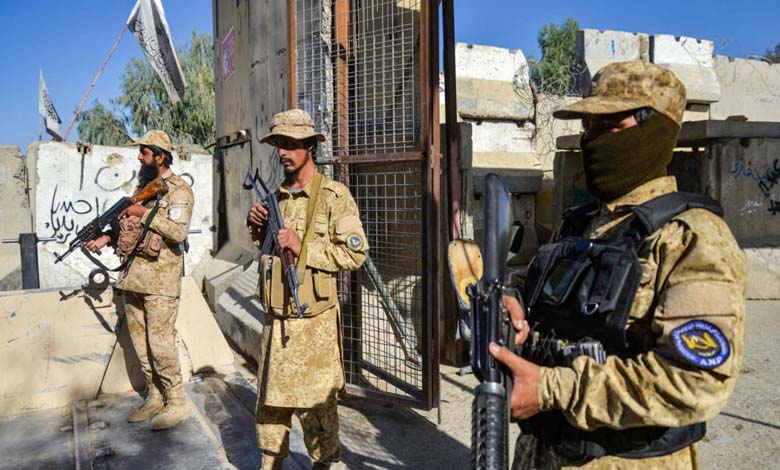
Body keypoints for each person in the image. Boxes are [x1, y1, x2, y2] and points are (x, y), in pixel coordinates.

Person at [489, 61, 746, 469]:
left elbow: (696, 381)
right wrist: (514, 305)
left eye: (608, 126)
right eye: (587, 126)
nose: (591, 139)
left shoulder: (691, 237)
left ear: (654, 131)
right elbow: (536, 291)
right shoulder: (582, 223)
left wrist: (551, 389)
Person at [246, 109, 368, 470]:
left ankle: (323, 464)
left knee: (318, 406)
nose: (283, 152)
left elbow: (355, 254)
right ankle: (270, 462)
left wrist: (304, 248)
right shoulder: (277, 197)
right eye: (279, 144)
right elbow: (267, 251)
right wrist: (257, 226)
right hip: (278, 321)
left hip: (315, 324)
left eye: (291, 144)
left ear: (310, 146)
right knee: (271, 403)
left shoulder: (334, 196)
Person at [86, 130, 194, 430]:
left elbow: (178, 232)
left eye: (144, 152)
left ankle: (178, 401)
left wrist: (143, 213)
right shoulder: (142, 189)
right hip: (132, 278)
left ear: (159, 156)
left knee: (160, 346)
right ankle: (155, 396)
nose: (139, 157)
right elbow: (131, 230)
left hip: (160, 283)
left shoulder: (179, 190)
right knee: (141, 346)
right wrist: (106, 238)